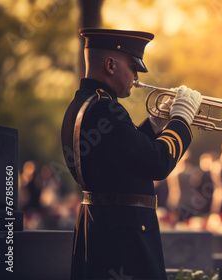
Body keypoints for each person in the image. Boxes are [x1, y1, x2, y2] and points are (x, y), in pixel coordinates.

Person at [61, 28, 202, 280]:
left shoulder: (86, 103)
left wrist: (155, 124)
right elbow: (157, 163)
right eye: (133, 67)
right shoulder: (104, 109)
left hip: (107, 227)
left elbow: (125, 158)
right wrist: (181, 121)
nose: (136, 76)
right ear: (110, 64)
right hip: (123, 235)